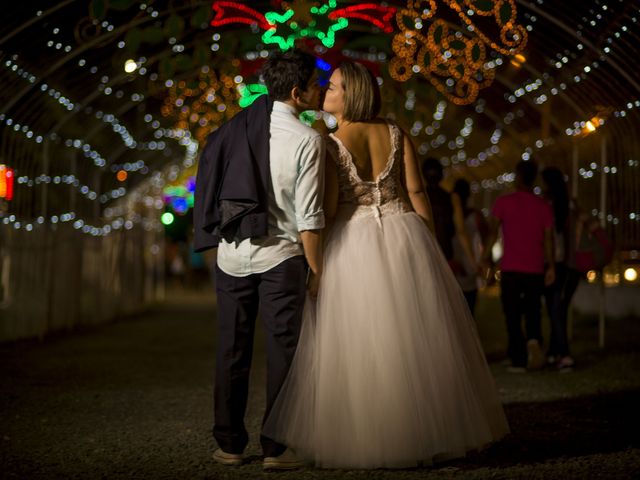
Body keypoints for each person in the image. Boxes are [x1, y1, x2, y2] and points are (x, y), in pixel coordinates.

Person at [264, 61, 509, 469]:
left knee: (360, 340)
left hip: (351, 240)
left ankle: (369, 434)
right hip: (403, 233)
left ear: (352, 95)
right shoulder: (397, 132)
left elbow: (326, 208)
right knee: (416, 337)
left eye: (335, 86)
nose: (325, 90)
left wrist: (317, 267)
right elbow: (416, 190)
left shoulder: (329, 142)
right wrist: (427, 242)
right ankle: (428, 430)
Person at [193, 49, 325, 470]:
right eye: (314, 84)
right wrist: (317, 270)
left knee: (231, 348)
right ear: (297, 92)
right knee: (283, 350)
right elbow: (309, 218)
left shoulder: (231, 130)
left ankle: (229, 444)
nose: (319, 90)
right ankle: (277, 447)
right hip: (282, 256)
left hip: (232, 255)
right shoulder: (308, 140)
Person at [482, 160, 555, 373]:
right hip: (535, 268)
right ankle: (534, 342)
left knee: (512, 313)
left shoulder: (503, 202)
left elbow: (493, 232)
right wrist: (550, 266)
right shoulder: (543, 206)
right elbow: (549, 239)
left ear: (518, 177)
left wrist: (485, 257)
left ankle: (519, 358)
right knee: (533, 310)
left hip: (511, 268)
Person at [541, 167, 582, 371]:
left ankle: (563, 354)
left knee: (555, 308)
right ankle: (554, 351)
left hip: (554, 261)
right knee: (558, 308)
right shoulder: (572, 203)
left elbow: (547, 236)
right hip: (572, 262)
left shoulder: (546, 203)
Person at [422, 159, 478, 285]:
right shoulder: (452, 199)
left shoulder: (418, 198)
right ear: (441, 175)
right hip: (446, 257)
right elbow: (461, 232)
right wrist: (473, 261)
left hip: (424, 255)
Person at [451, 178, 489, 314]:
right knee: (469, 309)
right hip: (470, 264)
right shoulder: (476, 215)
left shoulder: (446, 213)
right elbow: (487, 235)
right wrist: (482, 258)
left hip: (451, 263)